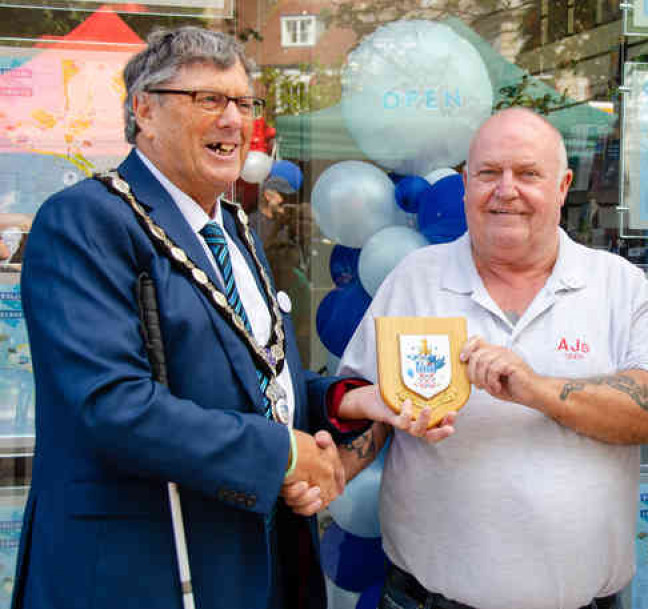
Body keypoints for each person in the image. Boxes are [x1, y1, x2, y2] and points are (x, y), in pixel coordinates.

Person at [12, 26, 386, 609]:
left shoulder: (235, 229)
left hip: (258, 562)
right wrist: (284, 455)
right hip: (143, 572)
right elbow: (112, 406)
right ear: (145, 111)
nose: (234, 121)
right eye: (208, 100)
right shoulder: (85, 220)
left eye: (243, 103)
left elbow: (254, 380)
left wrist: (342, 401)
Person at [333, 107, 648, 609]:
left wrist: (535, 388)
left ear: (563, 186)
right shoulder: (416, 278)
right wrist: (325, 470)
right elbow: (364, 409)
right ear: (464, 184)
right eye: (488, 173)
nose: (506, 190)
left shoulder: (616, 284)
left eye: (527, 174)